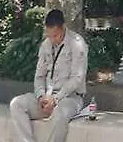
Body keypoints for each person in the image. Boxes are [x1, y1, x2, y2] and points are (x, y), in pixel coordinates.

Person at [9, 10, 89, 142]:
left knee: (60, 114)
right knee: (16, 104)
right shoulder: (46, 45)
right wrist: (41, 96)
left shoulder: (77, 43)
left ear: (63, 27)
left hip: (70, 98)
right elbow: (39, 76)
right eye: (49, 35)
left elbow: (77, 78)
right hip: (46, 97)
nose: (52, 40)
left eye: (55, 35)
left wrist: (56, 99)